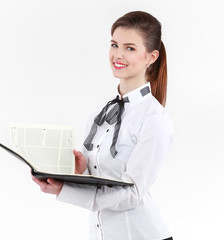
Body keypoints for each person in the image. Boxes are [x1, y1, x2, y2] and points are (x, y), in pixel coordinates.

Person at [32, 11, 174, 240]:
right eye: (114, 45)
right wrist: (81, 171)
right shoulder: (100, 114)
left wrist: (64, 191)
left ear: (151, 57)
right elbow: (101, 180)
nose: (118, 55)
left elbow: (133, 193)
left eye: (130, 48)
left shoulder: (155, 119)